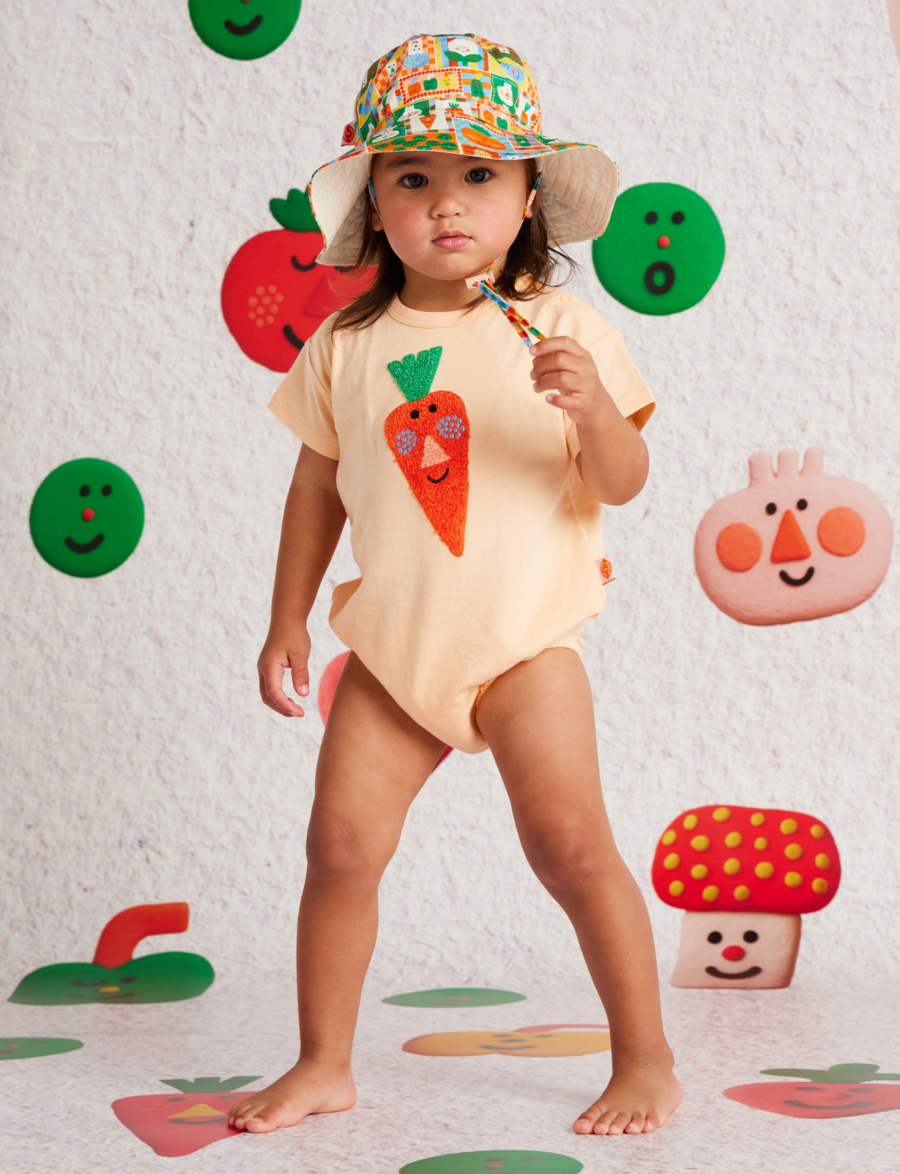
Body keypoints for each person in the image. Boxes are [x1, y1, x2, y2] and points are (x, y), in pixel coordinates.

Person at [228, 33, 682, 1139]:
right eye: (411, 177)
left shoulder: (564, 331)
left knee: (570, 846)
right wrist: (287, 617)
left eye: (479, 173)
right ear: (374, 205)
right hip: (395, 649)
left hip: (528, 643)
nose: (445, 202)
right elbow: (316, 487)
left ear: (528, 198)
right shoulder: (347, 343)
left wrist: (593, 411)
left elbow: (623, 482)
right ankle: (323, 1061)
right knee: (339, 849)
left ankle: (647, 1059)